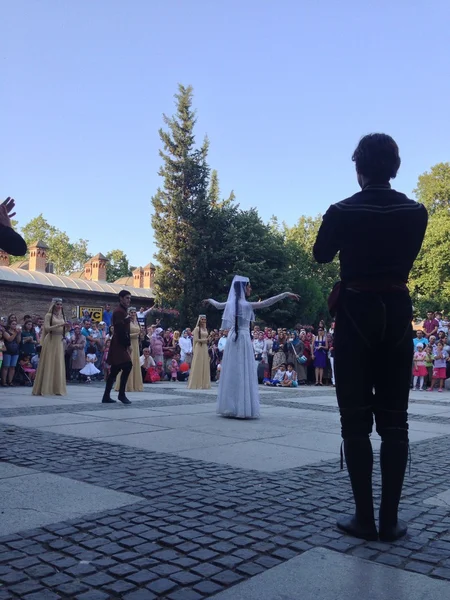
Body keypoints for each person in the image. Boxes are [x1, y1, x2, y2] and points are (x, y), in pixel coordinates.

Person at [313, 133, 428, 542]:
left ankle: (364, 517)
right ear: (394, 168)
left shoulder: (343, 209)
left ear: (358, 168)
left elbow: (321, 254)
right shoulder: (417, 212)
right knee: (396, 422)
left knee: (355, 420)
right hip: (397, 312)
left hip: (356, 313)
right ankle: (390, 519)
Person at [204, 275, 299, 418]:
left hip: (232, 338)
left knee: (232, 370)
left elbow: (217, 305)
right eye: (249, 286)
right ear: (243, 288)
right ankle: (242, 406)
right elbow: (268, 302)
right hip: (242, 338)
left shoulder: (231, 303)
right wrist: (285, 294)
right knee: (243, 370)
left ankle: (230, 405)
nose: (250, 288)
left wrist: (209, 300)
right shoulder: (246, 305)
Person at [101, 290, 133, 404]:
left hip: (120, 343)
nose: (128, 300)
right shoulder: (119, 311)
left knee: (115, 370)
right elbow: (120, 330)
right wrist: (127, 345)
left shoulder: (123, 311)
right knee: (128, 365)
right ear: (121, 298)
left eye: (129, 298)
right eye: (126, 298)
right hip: (119, 343)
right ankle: (121, 394)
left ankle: (106, 396)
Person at [32, 298, 69, 396]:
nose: (59, 306)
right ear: (54, 305)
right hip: (51, 339)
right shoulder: (49, 315)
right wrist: (60, 324)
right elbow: (47, 328)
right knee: (49, 362)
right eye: (58, 304)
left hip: (59, 340)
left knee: (58, 363)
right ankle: (46, 387)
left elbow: (65, 330)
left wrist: (67, 327)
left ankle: (57, 388)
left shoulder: (62, 315)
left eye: (61, 304)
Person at [115, 306, 143, 393]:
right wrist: (136, 335)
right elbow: (123, 334)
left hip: (136, 344)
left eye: (134, 313)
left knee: (135, 363)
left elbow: (139, 333)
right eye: (131, 313)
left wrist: (141, 335)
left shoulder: (136, 322)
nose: (133, 314)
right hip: (128, 344)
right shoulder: (126, 322)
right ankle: (126, 385)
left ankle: (135, 384)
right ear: (128, 313)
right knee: (127, 363)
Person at [187, 315, 211, 390]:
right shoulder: (197, 329)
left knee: (204, 363)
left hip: (204, 347)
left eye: (205, 319)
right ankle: (196, 382)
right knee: (198, 363)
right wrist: (205, 340)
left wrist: (209, 339)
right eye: (202, 319)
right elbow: (196, 339)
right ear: (200, 320)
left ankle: (204, 383)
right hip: (199, 347)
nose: (204, 321)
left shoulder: (205, 329)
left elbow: (205, 338)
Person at [2, 320, 21, 386]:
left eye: (15, 324)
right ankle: (4, 381)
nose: (14, 325)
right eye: (13, 324)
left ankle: (10, 381)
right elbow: (9, 339)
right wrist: (15, 333)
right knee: (6, 366)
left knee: (12, 367)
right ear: (9, 325)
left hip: (15, 351)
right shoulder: (5, 332)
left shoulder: (17, 332)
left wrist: (19, 334)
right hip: (8, 351)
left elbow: (18, 341)